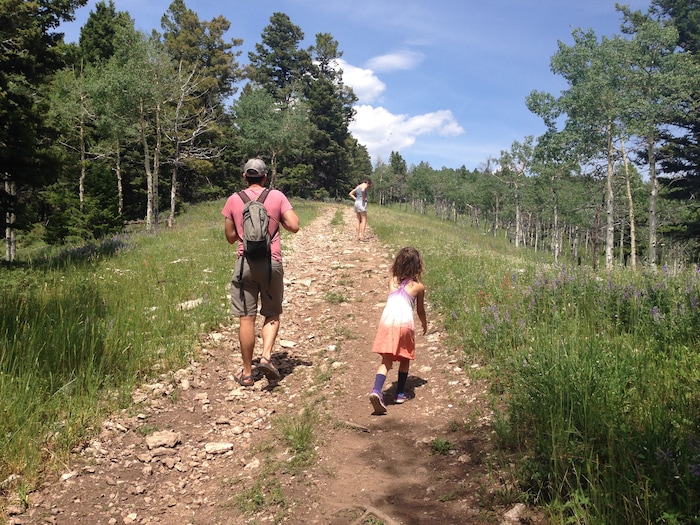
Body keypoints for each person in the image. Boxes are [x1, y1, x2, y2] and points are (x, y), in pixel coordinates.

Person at [222, 158, 299, 387]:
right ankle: (266, 356)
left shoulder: (234, 199)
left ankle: (247, 373)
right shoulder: (277, 197)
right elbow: (294, 226)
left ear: (245, 176)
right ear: (265, 177)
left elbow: (230, 237)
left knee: (246, 318)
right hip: (271, 263)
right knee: (272, 313)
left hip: (245, 264)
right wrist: (276, 223)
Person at [368, 246, 428, 414]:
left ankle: (377, 390)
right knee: (404, 358)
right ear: (417, 266)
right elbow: (420, 311)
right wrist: (424, 323)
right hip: (404, 326)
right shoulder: (418, 287)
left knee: (386, 361)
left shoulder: (392, 280)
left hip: (387, 322)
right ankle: (400, 393)